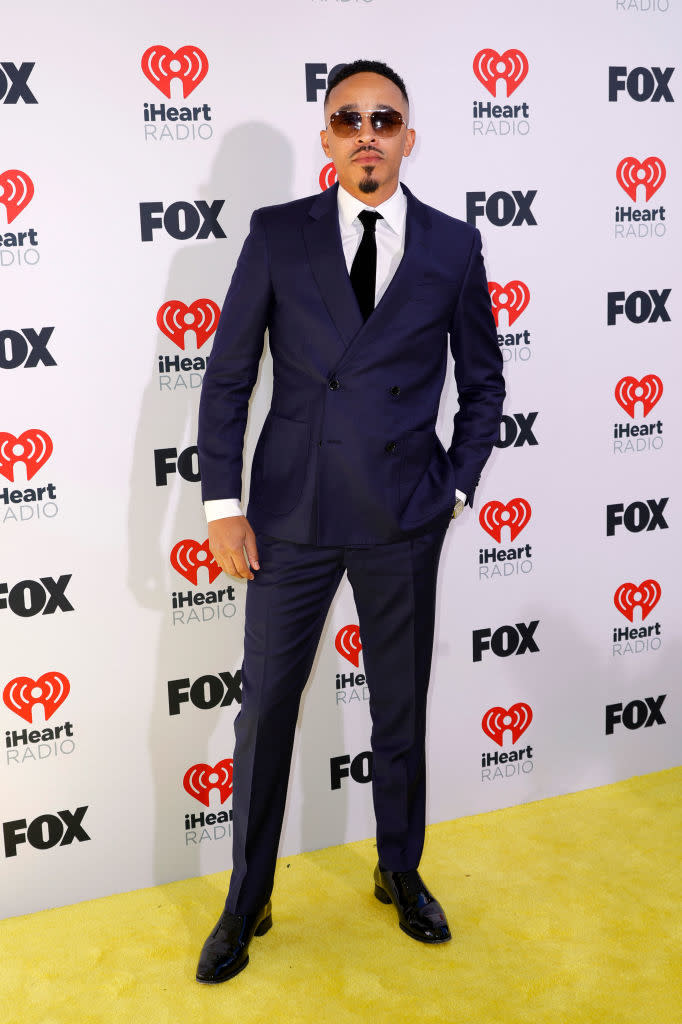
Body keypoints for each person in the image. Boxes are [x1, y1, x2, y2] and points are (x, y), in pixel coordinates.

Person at [195, 59, 505, 983]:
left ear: (409, 136)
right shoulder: (278, 233)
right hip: (289, 516)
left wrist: (452, 487)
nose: (367, 131)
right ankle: (247, 898)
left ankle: (399, 872)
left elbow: (484, 383)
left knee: (399, 710)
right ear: (327, 139)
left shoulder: (452, 245)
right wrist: (223, 508)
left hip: (403, 514)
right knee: (265, 714)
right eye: (348, 118)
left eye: (385, 117)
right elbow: (228, 377)